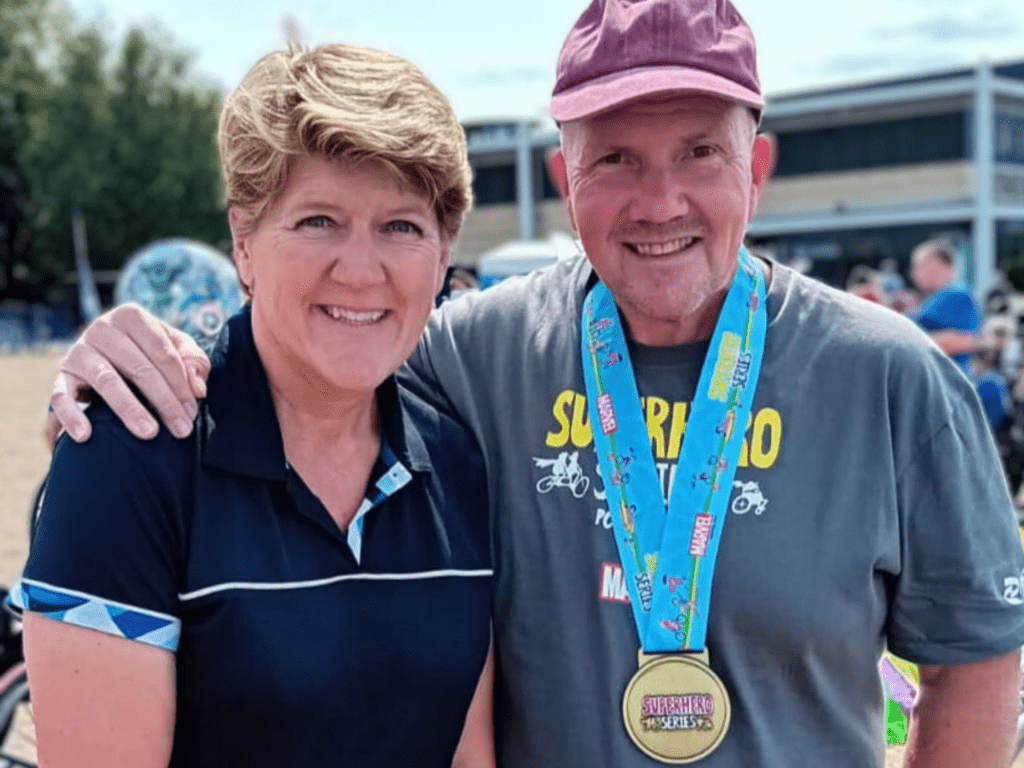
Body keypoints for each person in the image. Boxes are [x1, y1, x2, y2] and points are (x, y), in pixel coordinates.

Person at [45, 1, 1024, 766]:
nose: (659, 201)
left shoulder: (893, 380)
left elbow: (976, 658)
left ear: (756, 169)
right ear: (567, 180)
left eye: (698, 154)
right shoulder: (473, 357)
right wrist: (124, 367)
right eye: (616, 161)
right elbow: (311, 349)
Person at [12, 44, 496, 768]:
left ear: (442, 251)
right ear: (244, 243)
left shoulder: (457, 460)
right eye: (317, 221)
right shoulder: (127, 460)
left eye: (401, 226)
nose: (361, 271)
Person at [909, 237, 982, 375]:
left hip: (947, 384)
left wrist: (909, 344)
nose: (914, 273)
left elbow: (965, 339)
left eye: (919, 265)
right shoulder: (941, 295)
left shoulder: (956, 294)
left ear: (937, 264)